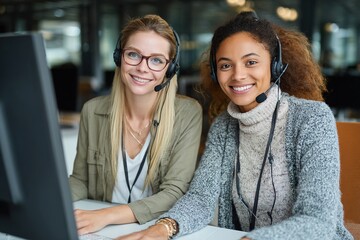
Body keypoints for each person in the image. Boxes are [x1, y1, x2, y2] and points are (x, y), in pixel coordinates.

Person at [116, 11, 353, 240]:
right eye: (226, 65)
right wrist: (163, 229)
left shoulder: (312, 118)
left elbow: (317, 220)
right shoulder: (224, 126)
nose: (238, 75)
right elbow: (201, 198)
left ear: (275, 66)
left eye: (251, 62)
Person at [68, 14, 203, 235]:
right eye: (133, 55)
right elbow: (81, 180)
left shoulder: (187, 113)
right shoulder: (93, 111)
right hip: (99, 230)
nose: (142, 67)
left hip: (151, 230)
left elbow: (175, 191)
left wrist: (106, 216)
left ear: (170, 69)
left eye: (157, 60)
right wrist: (48, 200)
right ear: (119, 58)